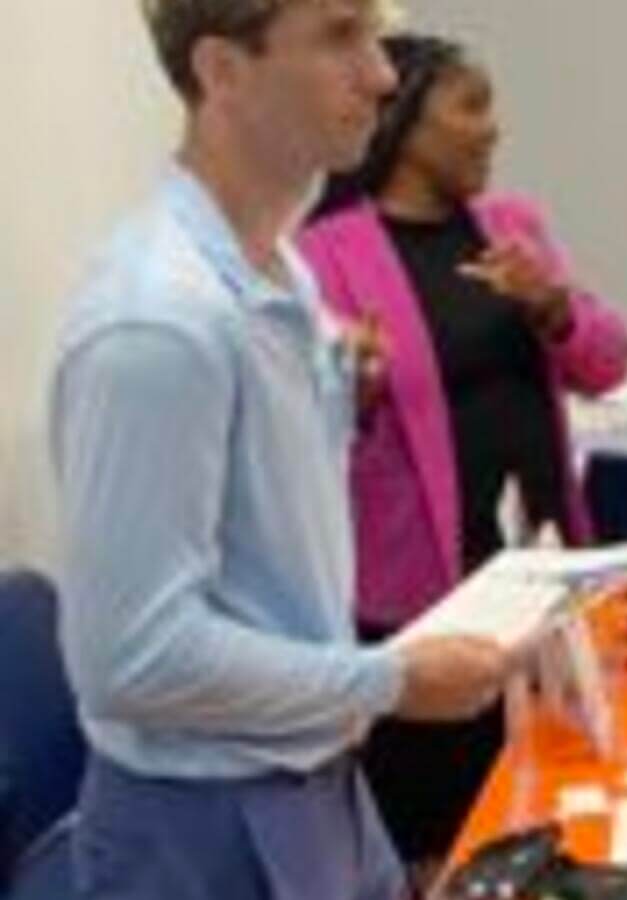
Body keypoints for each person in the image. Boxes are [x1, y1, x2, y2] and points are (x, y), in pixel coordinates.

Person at [52, 2, 515, 899]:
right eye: (342, 38)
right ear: (223, 71)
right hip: (207, 824)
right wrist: (390, 682)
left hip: (315, 789)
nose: (383, 76)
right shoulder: (159, 322)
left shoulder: (280, 271)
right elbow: (132, 658)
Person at [298, 33, 627, 871]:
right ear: (405, 123)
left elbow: (607, 362)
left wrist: (553, 306)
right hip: (422, 602)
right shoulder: (327, 254)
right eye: (471, 106)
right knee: (439, 845)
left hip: (546, 575)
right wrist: (355, 387)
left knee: (551, 817)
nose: (493, 128)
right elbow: (303, 433)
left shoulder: (513, 229)